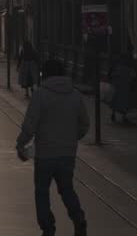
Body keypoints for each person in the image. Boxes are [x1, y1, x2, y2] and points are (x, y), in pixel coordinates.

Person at [16, 59, 90, 236]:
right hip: (67, 153)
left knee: (42, 192)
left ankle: (48, 228)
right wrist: (72, 138)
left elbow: (30, 124)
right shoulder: (75, 95)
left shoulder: (41, 95)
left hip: (45, 155)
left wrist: (21, 144)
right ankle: (78, 218)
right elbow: (84, 124)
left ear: (45, 74)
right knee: (66, 189)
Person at [109, 53, 136, 124]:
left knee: (116, 101)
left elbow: (113, 75)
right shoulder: (129, 68)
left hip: (118, 87)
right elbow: (132, 77)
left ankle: (114, 114)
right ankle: (123, 116)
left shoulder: (117, 67)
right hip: (125, 87)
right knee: (124, 102)